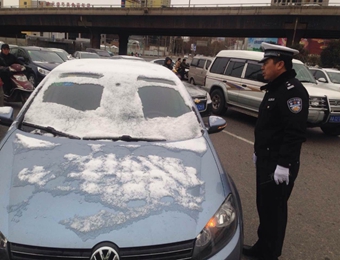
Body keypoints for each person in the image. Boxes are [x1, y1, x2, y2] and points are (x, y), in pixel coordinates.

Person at [243, 42, 309, 260]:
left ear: (280, 64)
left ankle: (270, 254)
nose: (262, 67)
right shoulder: (275, 88)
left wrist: (284, 165)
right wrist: (258, 151)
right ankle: (263, 246)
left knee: (275, 211)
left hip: (278, 165)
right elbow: (268, 127)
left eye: (266, 63)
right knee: (264, 206)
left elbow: (294, 133)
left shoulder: (293, 91)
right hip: (266, 159)